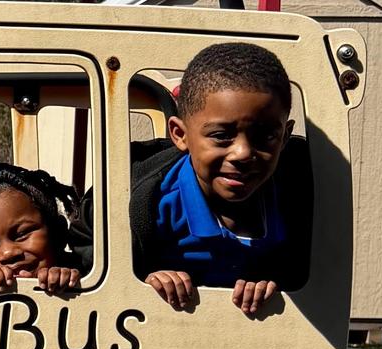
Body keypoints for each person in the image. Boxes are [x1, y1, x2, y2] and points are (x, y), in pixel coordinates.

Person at [132, 42, 310, 316]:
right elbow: (89, 253)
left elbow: (310, 275)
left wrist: (270, 282)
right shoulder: (147, 199)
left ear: (284, 137)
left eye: (265, 136)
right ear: (180, 135)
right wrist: (146, 278)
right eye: (221, 136)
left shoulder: (298, 196)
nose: (243, 153)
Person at [0, 164, 92, 296]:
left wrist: (69, 281)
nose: (8, 253)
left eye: (22, 234)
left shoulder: (86, 276)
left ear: (58, 233)